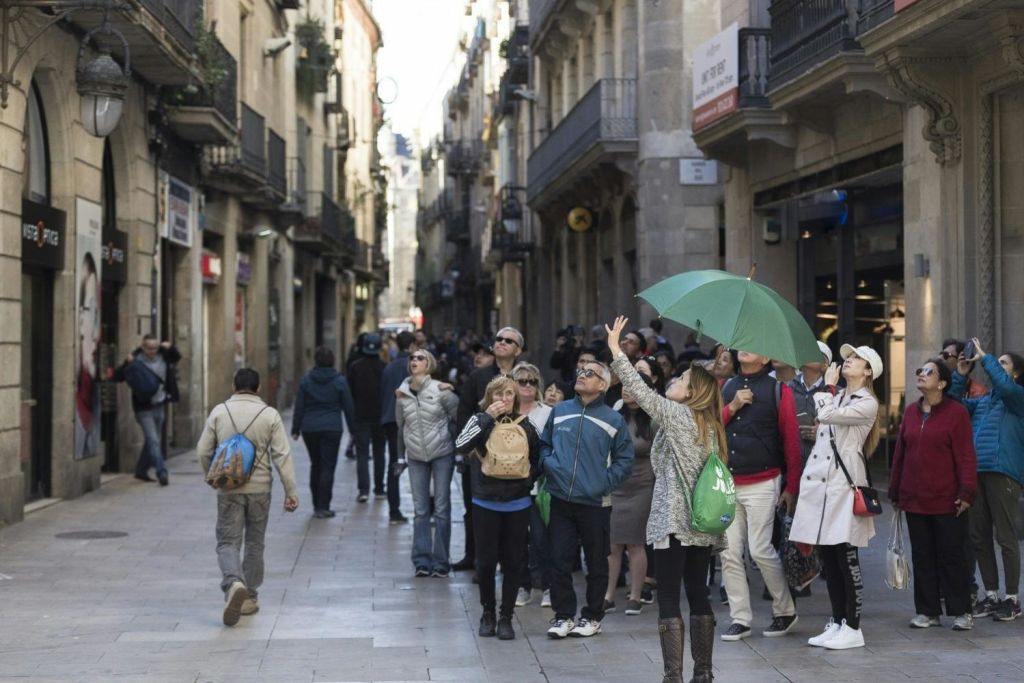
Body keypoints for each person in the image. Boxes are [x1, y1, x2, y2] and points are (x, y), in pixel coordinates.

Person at [608, 315, 726, 683]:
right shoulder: (711, 425)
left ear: (693, 393)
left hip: (674, 520)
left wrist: (615, 351)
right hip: (703, 522)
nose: (674, 381)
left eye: (682, 380)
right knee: (698, 592)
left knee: (670, 597)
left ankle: (673, 676)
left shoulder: (679, 416)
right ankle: (703, 673)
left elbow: (641, 394)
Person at [789, 345, 883, 650]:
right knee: (829, 556)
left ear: (868, 371)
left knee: (846, 557)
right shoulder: (840, 394)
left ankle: (853, 627)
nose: (848, 361)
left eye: (856, 359)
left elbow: (827, 415)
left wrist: (828, 388)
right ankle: (838, 620)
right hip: (824, 487)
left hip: (845, 485)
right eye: (849, 356)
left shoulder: (866, 402)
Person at [196, 368, 299, 626]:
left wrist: (212, 476)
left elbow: (202, 450)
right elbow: (282, 456)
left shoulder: (220, 411)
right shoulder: (269, 414)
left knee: (228, 541)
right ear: (259, 387)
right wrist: (291, 491)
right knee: (255, 543)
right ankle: (250, 597)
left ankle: (233, 583)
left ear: (233, 386)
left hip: (228, 488)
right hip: (260, 489)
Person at [542, 359, 635, 639]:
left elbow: (624, 460)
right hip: (560, 498)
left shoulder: (613, 419)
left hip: (596, 503)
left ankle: (593, 616)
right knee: (558, 559)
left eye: (590, 373)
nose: (581, 375)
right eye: (580, 371)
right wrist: (549, 465)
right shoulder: (560, 411)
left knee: (595, 561)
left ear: (603, 385)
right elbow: (545, 444)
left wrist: (602, 483)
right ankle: (563, 616)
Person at [719, 350, 802, 641]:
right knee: (728, 552)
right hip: (729, 481)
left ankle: (784, 610)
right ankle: (740, 618)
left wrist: (792, 486)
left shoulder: (779, 390)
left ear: (767, 358)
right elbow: (711, 428)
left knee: (760, 549)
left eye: (753, 346)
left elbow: (792, 440)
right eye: (742, 344)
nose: (745, 348)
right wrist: (732, 406)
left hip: (764, 481)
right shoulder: (727, 387)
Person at [889, 358, 977, 631]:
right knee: (922, 556)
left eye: (929, 372)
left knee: (952, 555)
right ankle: (927, 611)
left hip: (947, 499)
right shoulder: (912, 412)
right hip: (915, 498)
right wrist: (895, 491)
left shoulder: (956, 413)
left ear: (941, 383)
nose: (921, 374)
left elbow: (965, 456)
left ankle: (962, 610)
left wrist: (966, 492)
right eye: (920, 370)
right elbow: (900, 453)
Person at [455, 376, 542, 640]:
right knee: (485, 562)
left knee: (513, 561)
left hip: (517, 502)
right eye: (497, 394)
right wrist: (484, 418)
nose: (503, 399)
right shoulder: (479, 420)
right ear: (489, 397)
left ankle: (506, 617)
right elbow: (460, 445)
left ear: (515, 398)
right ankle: (487, 613)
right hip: (485, 501)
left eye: (508, 394)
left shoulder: (526, 426)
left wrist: (527, 480)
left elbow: (538, 457)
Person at [950, 340, 1024, 622]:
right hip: (977, 473)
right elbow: (953, 406)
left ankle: (1012, 598)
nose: (995, 366)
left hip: (1003, 473)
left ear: (1015, 373)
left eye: (1003, 363)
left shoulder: (1017, 398)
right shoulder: (982, 403)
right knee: (978, 537)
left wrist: (986, 357)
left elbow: (1004, 387)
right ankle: (992, 594)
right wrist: (961, 373)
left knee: (1005, 537)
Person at [455, 326, 525, 572]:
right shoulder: (478, 376)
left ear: (518, 350)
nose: (501, 343)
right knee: (475, 507)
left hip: (517, 454)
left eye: (508, 340)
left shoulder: (525, 376)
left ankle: (512, 563)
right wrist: (471, 446)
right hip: (481, 454)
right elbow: (463, 413)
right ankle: (476, 559)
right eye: (498, 339)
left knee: (515, 510)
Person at [393, 349, 459, 577]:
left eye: (420, 358)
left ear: (429, 364)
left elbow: (458, 419)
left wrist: (459, 451)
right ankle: (421, 561)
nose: (415, 361)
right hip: (415, 456)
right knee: (420, 510)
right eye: (412, 358)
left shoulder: (442, 390)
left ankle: (441, 561)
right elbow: (400, 429)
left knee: (441, 508)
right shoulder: (401, 394)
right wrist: (400, 458)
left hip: (442, 453)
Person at [604, 372, 656, 616]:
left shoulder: (654, 419)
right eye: (624, 385)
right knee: (613, 544)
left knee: (635, 542)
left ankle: (635, 595)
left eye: (632, 386)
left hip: (643, 485)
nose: (625, 390)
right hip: (617, 484)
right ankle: (608, 595)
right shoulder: (615, 415)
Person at [291, 346, 356, 518]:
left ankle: (316, 506)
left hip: (310, 428)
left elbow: (299, 407)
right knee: (328, 466)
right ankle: (323, 506)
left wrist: (295, 429)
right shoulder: (340, 381)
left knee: (316, 465)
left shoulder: (306, 381)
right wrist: (353, 430)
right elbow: (348, 407)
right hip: (332, 428)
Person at [112, 334, 182, 486]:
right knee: (153, 440)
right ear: (142, 347)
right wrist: (126, 363)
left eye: (155, 348)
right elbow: (117, 377)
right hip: (143, 407)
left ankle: (141, 470)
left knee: (152, 441)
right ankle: (161, 471)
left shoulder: (164, 356)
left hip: (160, 404)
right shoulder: (135, 360)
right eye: (149, 348)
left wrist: (170, 347)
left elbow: (177, 357)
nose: (152, 351)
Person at [511, 363, 554, 608]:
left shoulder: (548, 412)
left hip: (540, 484)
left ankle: (547, 586)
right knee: (516, 539)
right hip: (510, 485)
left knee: (541, 538)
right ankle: (522, 585)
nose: (527, 386)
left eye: (532, 381)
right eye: (522, 381)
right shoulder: (505, 410)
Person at [381, 331, 417, 524]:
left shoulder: (388, 368)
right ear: (411, 345)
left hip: (390, 421)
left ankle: (394, 511)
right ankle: (424, 509)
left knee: (394, 464)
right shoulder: (415, 366)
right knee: (420, 464)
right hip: (412, 421)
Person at [348, 333, 387, 503]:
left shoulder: (355, 367)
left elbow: (350, 392)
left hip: (361, 416)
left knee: (362, 454)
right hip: (380, 417)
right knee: (379, 453)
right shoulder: (385, 367)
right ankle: (379, 489)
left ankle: (363, 490)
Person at [788, 341, 833, 468]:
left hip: (822, 466)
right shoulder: (786, 389)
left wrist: (823, 434)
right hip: (790, 463)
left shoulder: (834, 392)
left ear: (824, 365)